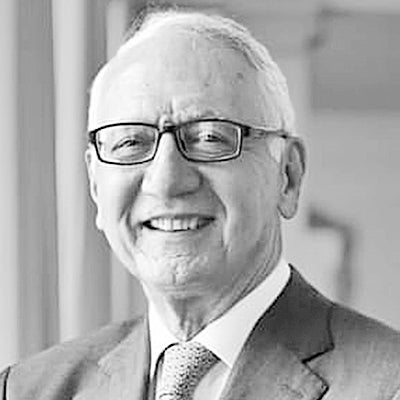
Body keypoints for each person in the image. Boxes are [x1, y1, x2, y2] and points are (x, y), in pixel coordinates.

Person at [1, 7, 400, 400]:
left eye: (209, 138)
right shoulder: (25, 389)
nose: (166, 181)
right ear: (95, 185)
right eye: (131, 142)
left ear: (288, 176)